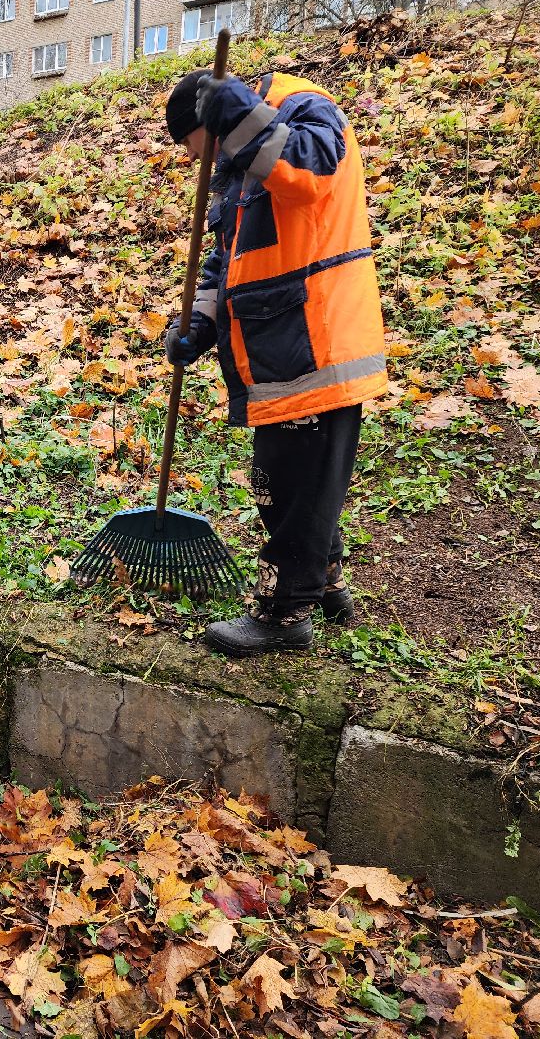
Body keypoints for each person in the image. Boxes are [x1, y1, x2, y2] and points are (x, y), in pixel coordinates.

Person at [162, 66, 387, 657]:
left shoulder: (308, 113)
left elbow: (312, 172)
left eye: (192, 148)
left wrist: (241, 116)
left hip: (315, 338)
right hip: (273, 345)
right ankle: (325, 582)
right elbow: (225, 261)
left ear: (212, 123)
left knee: (297, 483)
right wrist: (199, 322)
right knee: (286, 482)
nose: (195, 163)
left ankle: (286, 613)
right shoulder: (237, 168)